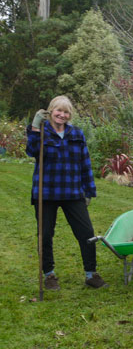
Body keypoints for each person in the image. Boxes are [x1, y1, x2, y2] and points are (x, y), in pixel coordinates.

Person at [26, 95, 107, 289]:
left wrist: (88, 191)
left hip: (72, 192)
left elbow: (85, 164)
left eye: (66, 112)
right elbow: (32, 150)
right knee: (44, 235)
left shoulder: (77, 134)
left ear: (70, 115)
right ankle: (49, 275)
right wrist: (36, 127)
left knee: (86, 233)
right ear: (51, 111)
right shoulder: (42, 132)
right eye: (58, 111)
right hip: (46, 193)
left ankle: (91, 274)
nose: (62, 115)